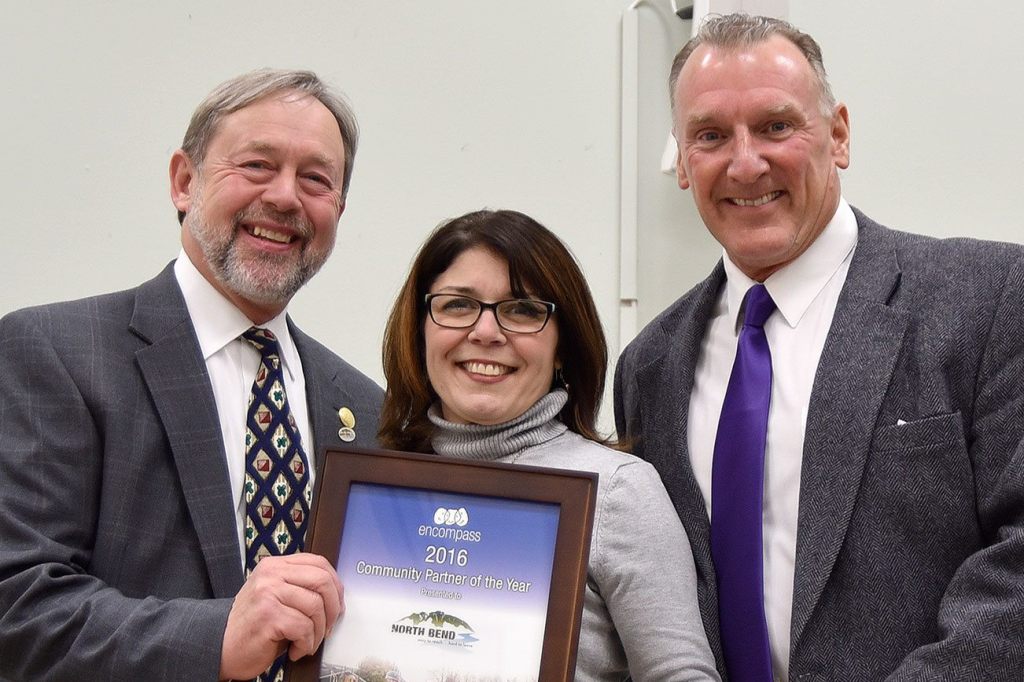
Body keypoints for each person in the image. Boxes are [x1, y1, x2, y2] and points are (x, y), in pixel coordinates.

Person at [614, 13, 1024, 682]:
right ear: (683, 163)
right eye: (711, 136)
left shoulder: (988, 298)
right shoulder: (649, 367)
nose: (746, 163)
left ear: (838, 134)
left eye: (776, 126)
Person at [0, 69, 383, 681]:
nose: (286, 197)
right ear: (184, 181)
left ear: (338, 208)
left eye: (316, 179)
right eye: (257, 165)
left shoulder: (367, 409)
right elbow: (16, 605)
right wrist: (216, 640)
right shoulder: (55, 353)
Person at [379, 209, 721, 682]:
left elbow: (680, 674)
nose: (486, 332)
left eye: (522, 310)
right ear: (421, 328)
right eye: (457, 305)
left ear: (562, 345)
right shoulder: (373, 492)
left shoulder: (618, 492)